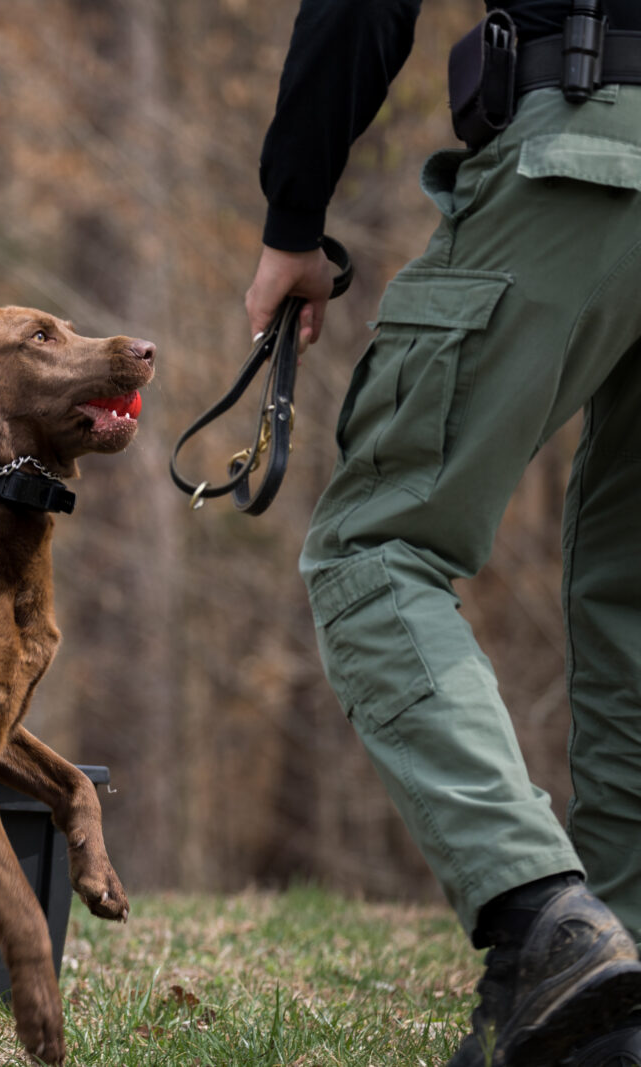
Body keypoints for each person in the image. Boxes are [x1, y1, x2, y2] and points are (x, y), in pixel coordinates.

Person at [245, 1, 641, 1064]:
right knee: (631, 602)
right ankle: (601, 1022)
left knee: (373, 546)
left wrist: (292, 217)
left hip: (588, 146)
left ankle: (539, 910)